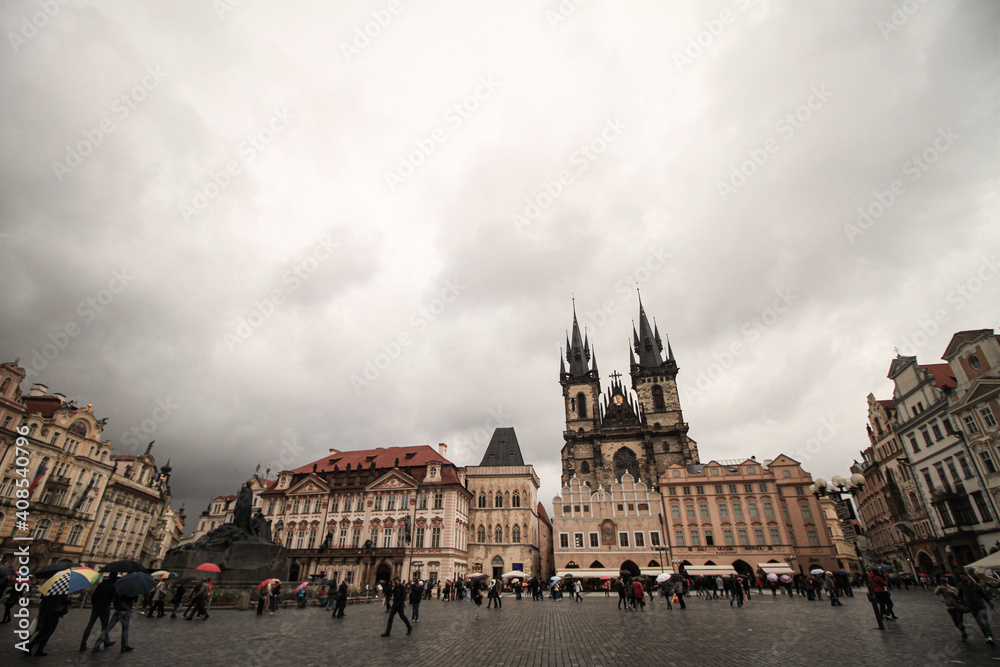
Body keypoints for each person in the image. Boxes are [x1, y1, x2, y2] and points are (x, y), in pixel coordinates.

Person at [81, 572, 117, 651]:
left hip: (96, 606)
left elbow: (94, 595)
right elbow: (114, 598)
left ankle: (83, 643)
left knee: (90, 624)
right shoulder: (114, 586)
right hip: (105, 607)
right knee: (104, 627)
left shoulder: (102, 584)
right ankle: (103, 642)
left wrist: (94, 604)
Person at [958, 573, 995, 644]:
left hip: (980, 605)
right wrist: (964, 603)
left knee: (984, 622)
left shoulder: (974, 585)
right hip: (971, 607)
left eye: (963, 577)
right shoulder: (961, 585)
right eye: (961, 578)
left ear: (967, 577)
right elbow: (960, 596)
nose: (963, 579)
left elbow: (982, 594)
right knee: (980, 623)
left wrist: (989, 602)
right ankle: (986, 636)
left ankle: (990, 636)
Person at [936, 577, 968, 642]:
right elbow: (936, 593)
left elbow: (959, 596)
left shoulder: (952, 588)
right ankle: (962, 630)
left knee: (959, 620)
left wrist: (952, 592)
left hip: (957, 607)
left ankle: (963, 633)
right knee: (956, 622)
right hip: (949, 607)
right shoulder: (941, 589)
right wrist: (940, 587)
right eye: (942, 582)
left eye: (944, 582)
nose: (943, 583)